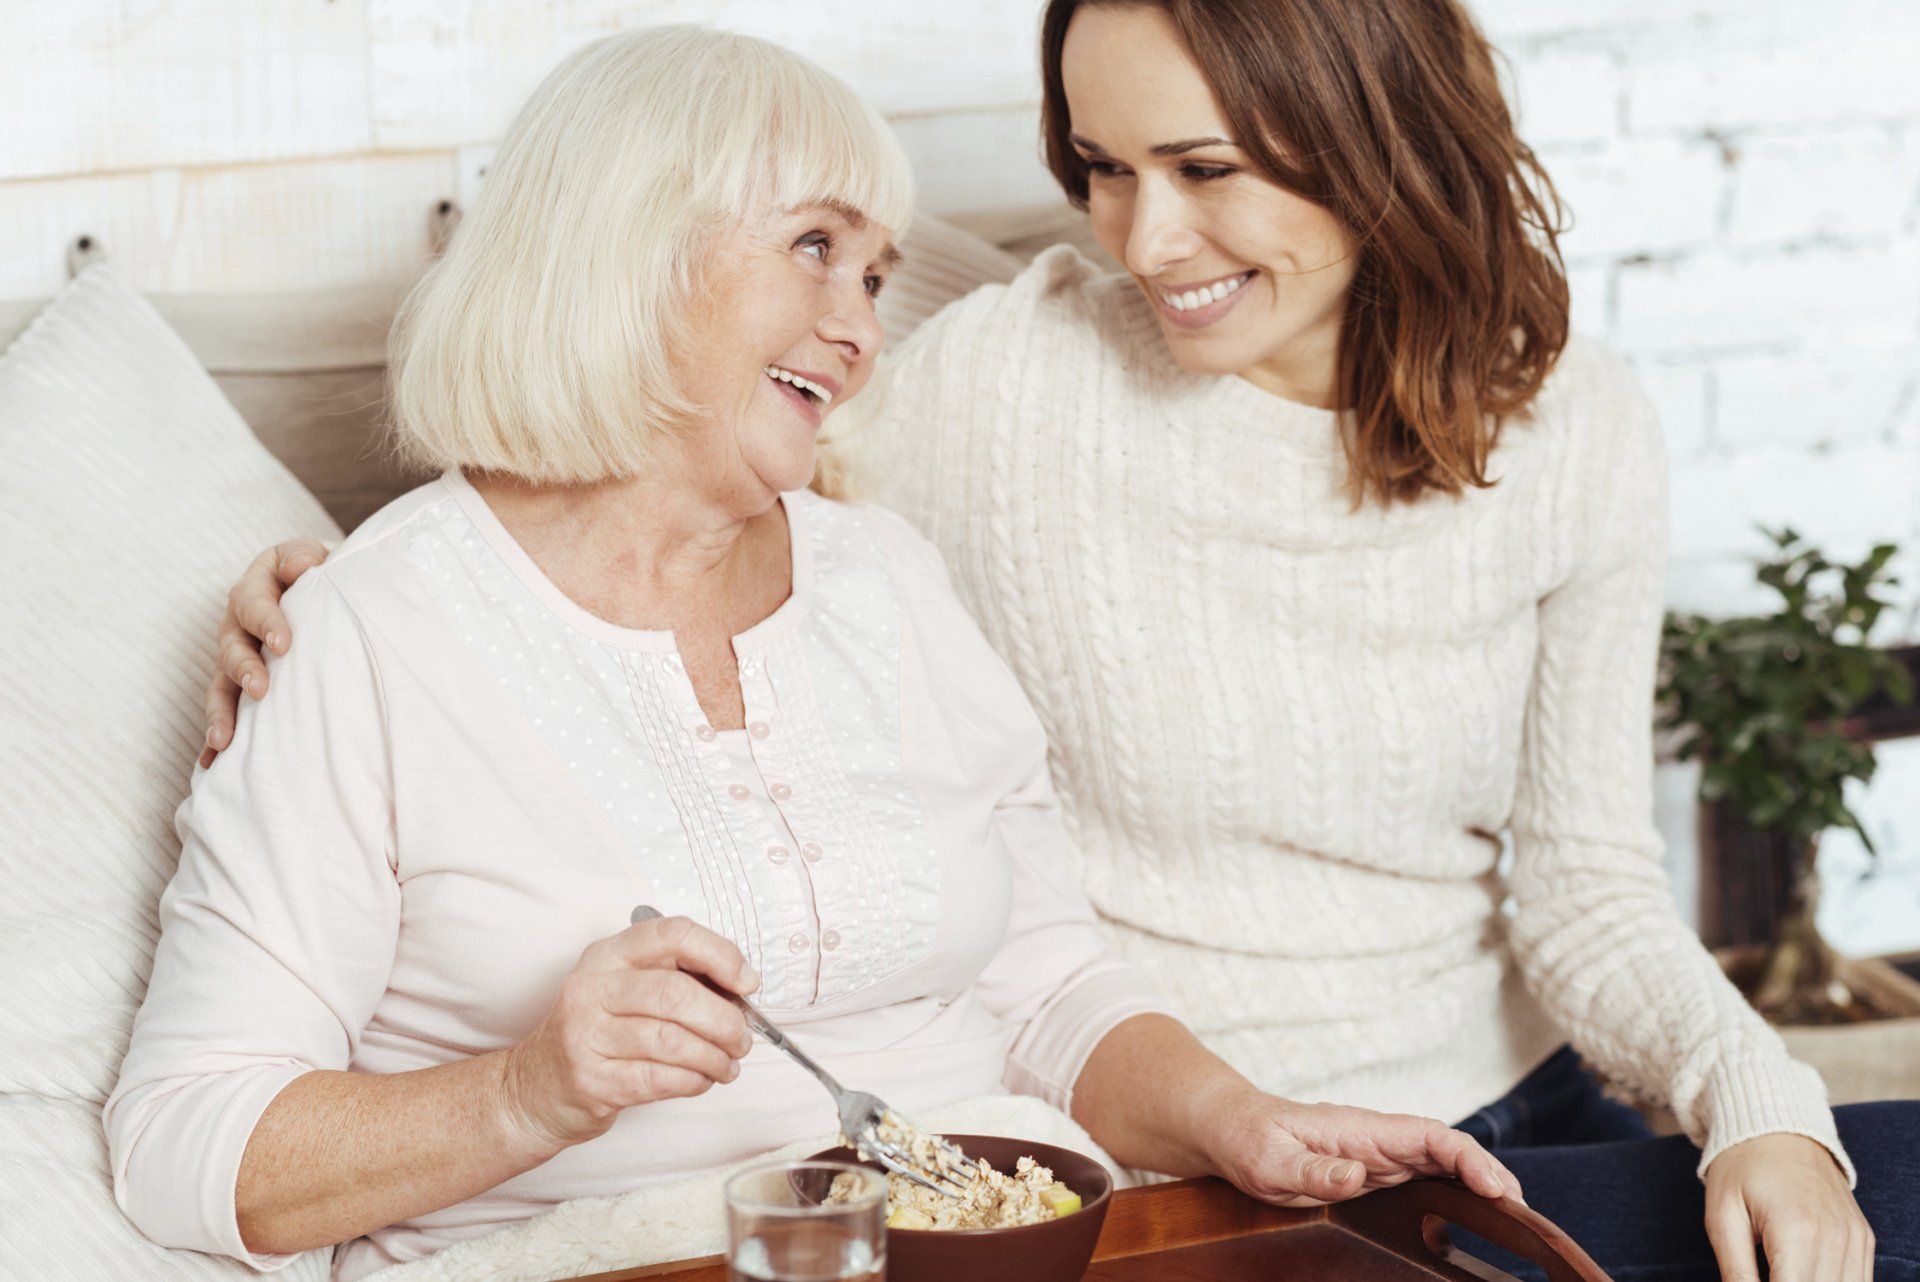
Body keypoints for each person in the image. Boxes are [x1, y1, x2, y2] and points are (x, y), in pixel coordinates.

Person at [203, 5, 1920, 1281]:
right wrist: (327, 579)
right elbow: (643, 456)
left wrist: (1761, 1102)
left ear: (1378, 138)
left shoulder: (1579, 429)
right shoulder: (1004, 389)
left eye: (1203, 169)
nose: (1138, 240)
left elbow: (1590, 881)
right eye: (1100, 168)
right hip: (1209, 1149)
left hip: (1510, 1099)